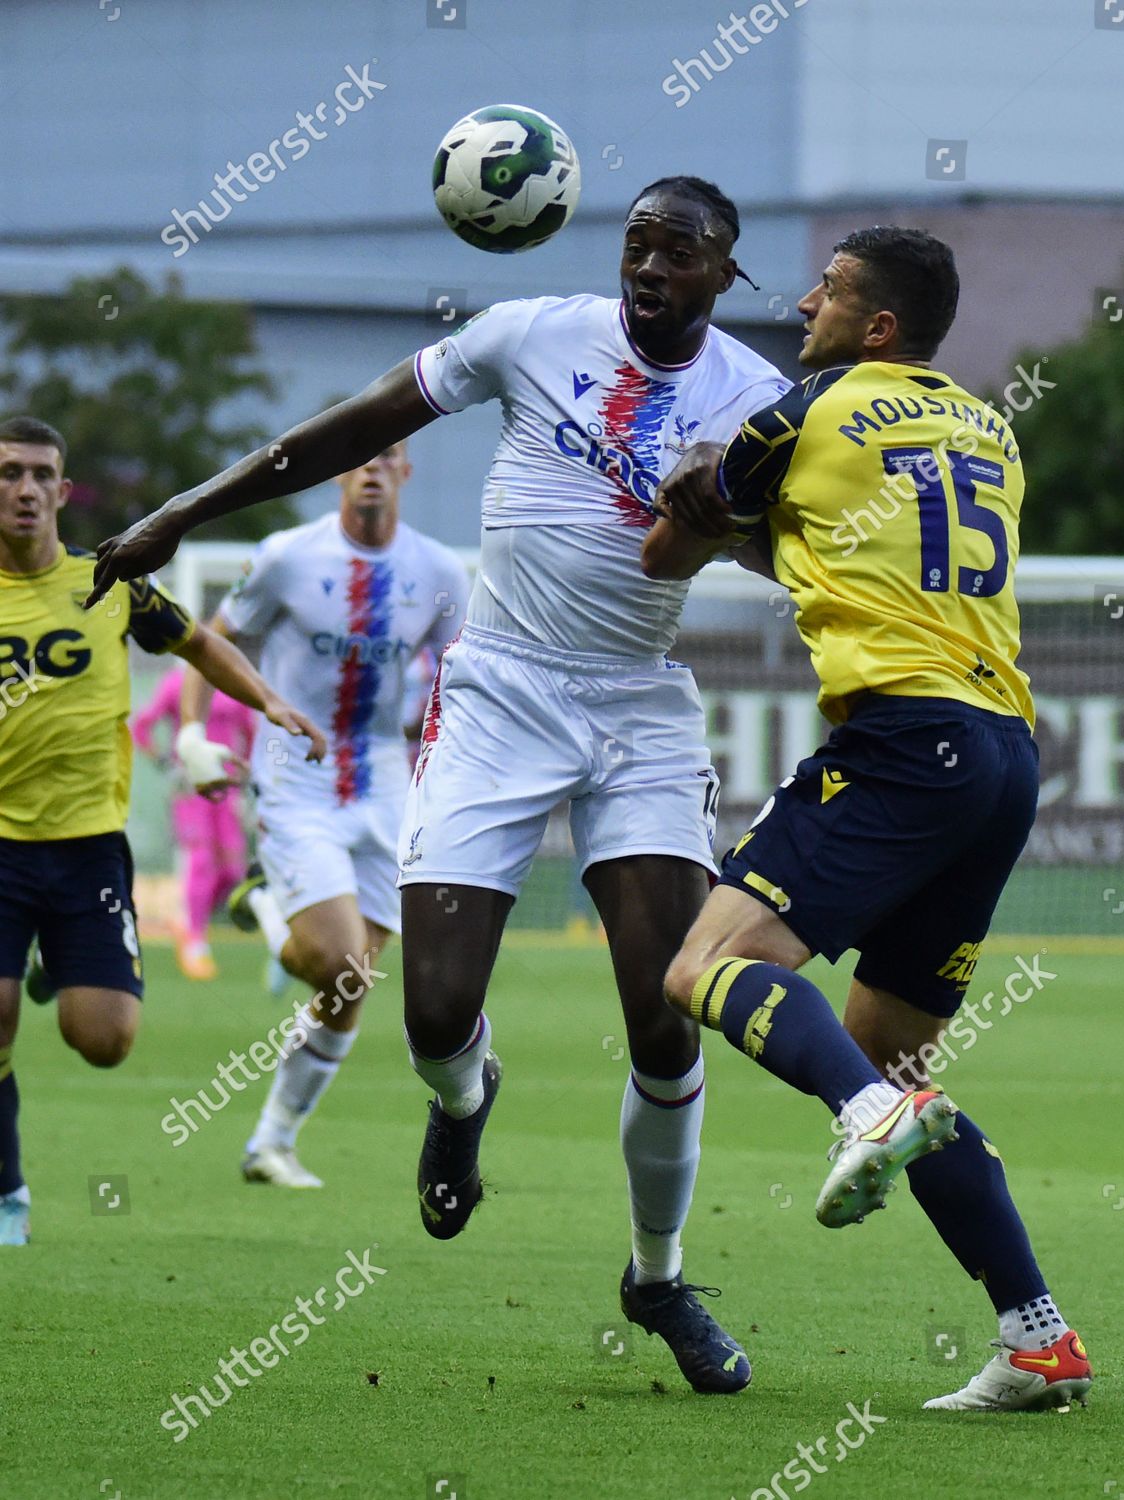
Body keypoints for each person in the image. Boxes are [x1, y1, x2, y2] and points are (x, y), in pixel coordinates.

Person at [86, 176, 791, 1395]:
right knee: (430, 1012)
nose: (650, 266)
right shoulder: (529, 332)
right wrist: (176, 512)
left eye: (679, 253)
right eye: (637, 243)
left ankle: (659, 1277)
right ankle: (464, 1100)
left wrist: (732, 516)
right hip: (500, 694)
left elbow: (808, 550)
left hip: (637, 704)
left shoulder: (760, 401)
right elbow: (347, 428)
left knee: (667, 1011)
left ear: (723, 275)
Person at [642, 227, 1093, 1413]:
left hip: (903, 742)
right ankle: (1036, 1336)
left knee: (701, 966)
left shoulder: (809, 408)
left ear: (876, 325)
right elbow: (853, 552)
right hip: (1002, 756)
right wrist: (764, 529)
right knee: (896, 1051)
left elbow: (660, 553)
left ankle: (863, 1113)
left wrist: (697, 487)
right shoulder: (989, 426)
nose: (804, 303)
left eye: (829, 291)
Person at [0, 415, 325, 1247]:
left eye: (41, 475)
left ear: (64, 492)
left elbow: (197, 642)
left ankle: (51, 964)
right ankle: (8, 1193)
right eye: (8, 473)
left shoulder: (107, 583)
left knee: (103, 1040)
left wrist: (268, 703)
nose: (25, 489)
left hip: (86, 849)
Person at [179, 441, 469, 1190]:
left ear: (408, 470)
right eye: (359, 457)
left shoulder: (437, 572)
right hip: (293, 771)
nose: (372, 467)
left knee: (349, 985)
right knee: (339, 959)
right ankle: (275, 913)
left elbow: (459, 675)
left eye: (390, 455)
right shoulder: (285, 556)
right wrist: (191, 733)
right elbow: (208, 639)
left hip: (383, 782)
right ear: (341, 471)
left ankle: (271, 1143)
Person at [130, 663, 255, 980]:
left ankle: (188, 926)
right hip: (190, 788)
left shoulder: (231, 678)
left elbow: (250, 731)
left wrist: (245, 771)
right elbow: (141, 725)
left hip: (225, 790)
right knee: (200, 860)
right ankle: (196, 943)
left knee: (232, 871)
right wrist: (163, 761)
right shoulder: (176, 683)